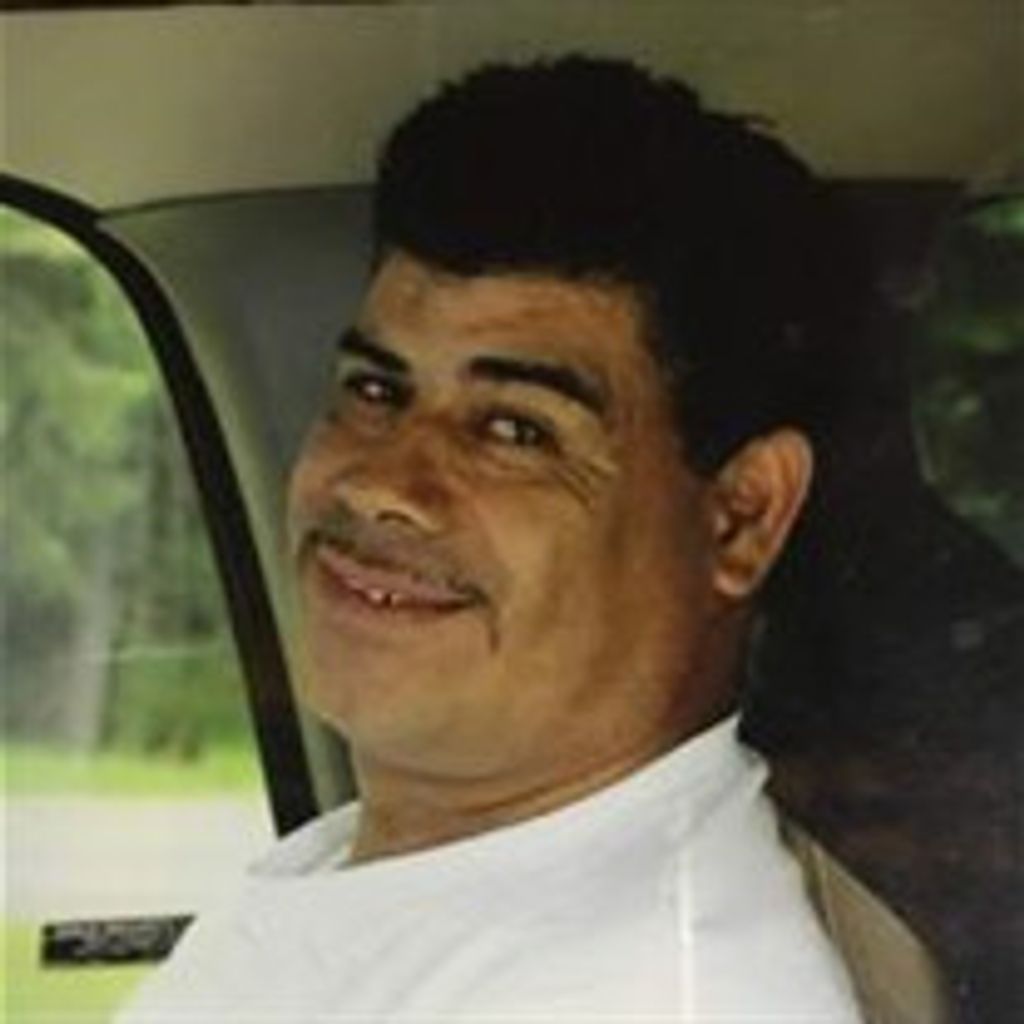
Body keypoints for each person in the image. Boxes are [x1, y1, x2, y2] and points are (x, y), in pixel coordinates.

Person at [118, 56, 868, 1021]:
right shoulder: (394, 885)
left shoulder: (650, 993)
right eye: (375, 390)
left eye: (515, 430)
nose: (383, 485)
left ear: (740, 517)